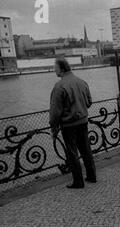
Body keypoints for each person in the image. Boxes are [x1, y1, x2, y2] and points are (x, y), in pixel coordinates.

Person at [49, 58, 97, 189]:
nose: (54, 70)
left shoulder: (59, 87)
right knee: (86, 149)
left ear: (62, 69)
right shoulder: (82, 82)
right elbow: (89, 102)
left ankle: (78, 181)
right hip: (83, 121)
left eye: (56, 67)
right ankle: (92, 175)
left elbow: (55, 112)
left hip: (69, 125)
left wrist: (53, 127)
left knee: (72, 153)